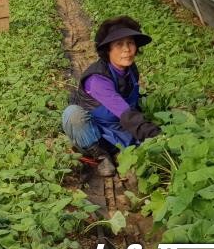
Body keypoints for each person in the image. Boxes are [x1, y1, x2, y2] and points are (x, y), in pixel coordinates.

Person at [62, 16, 161, 176]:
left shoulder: (130, 70)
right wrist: (154, 134)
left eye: (130, 43)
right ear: (108, 50)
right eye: (119, 44)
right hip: (97, 131)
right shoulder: (97, 79)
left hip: (120, 127)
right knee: (73, 114)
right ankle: (100, 156)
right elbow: (124, 111)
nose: (127, 49)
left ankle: (121, 149)